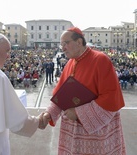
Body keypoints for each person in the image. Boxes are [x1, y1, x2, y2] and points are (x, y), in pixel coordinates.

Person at [39, 27, 126, 155]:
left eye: (66, 43)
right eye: (61, 44)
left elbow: (110, 97)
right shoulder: (70, 63)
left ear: (79, 42)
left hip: (96, 135)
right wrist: (49, 114)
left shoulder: (100, 60)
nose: (62, 48)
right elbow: (61, 95)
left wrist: (78, 113)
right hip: (72, 134)